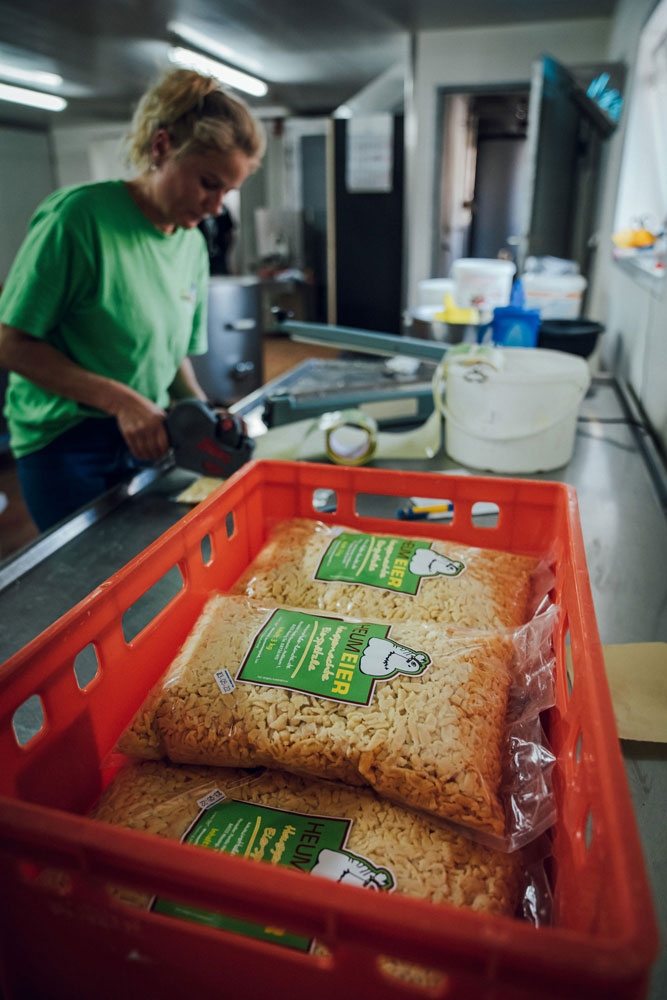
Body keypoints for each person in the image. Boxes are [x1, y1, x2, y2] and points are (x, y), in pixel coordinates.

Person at [0, 68, 265, 531]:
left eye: (227, 191)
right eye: (208, 182)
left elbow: (172, 351)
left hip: (149, 430)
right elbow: (11, 341)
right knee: (86, 583)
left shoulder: (191, 243)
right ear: (162, 147)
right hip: (66, 441)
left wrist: (204, 410)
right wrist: (121, 400)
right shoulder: (79, 218)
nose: (216, 206)